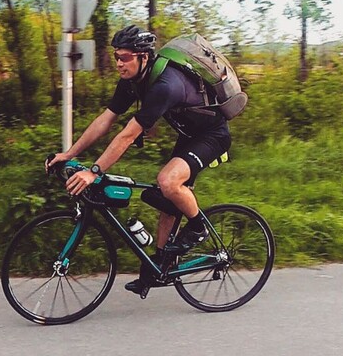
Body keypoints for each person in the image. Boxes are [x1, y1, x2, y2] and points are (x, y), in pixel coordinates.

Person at [45, 25, 232, 296]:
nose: (119, 63)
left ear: (144, 56)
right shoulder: (133, 82)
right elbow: (106, 120)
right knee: (168, 199)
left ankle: (198, 227)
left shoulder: (166, 86)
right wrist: (70, 154)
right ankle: (160, 266)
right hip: (189, 135)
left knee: (168, 181)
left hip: (212, 135)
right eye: (116, 57)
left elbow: (127, 136)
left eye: (125, 57)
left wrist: (94, 171)